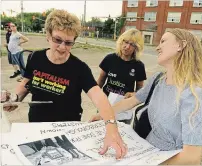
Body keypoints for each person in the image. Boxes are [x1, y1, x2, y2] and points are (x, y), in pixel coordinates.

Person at [1, 9, 126, 159]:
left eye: (68, 42)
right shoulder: (36, 57)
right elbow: (26, 83)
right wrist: (14, 98)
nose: (62, 47)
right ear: (48, 35)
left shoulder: (80, 68)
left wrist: (111, 127)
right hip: (36, 125)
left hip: (67, 130)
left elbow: (99, 97)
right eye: (57, 40)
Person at [90, 28, 202, 164]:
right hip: (143, 151)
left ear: (180, 46)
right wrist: (104, 114)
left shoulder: (193, 93)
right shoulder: (158, 79)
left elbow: (192, 158)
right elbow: (132, 101)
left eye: (163, 41)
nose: (158, 47)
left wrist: (150, 162)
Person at [97, 29, 146, 124]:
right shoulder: (110, 59)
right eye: (126, 42)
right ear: (121, 41)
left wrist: (134, 94)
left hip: (124, 111)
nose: (127, 47)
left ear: (137, 48)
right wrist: (97, 97)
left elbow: (140, 89)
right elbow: (100, 81)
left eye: (132, 44)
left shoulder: (139, 66)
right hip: (105, 105)